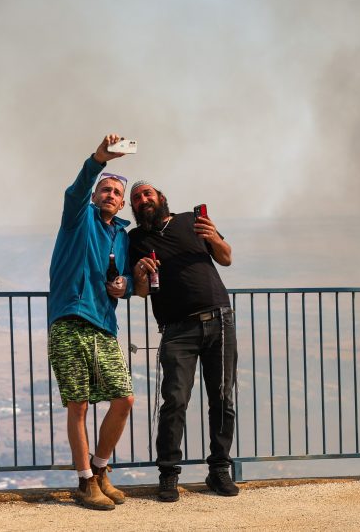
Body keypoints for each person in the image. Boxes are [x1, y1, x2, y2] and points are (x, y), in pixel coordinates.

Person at [128, 181, 239, 502]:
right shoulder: (135, 239)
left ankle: (219, 470)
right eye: (137, 198)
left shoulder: (192, 221)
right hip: (176, 329)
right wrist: (139, 273)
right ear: (133, 208)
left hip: (219, 319)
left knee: (222, 398)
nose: (143, 199)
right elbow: (142, 292)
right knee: (174, 400)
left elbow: (227, 258)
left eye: (148, 194)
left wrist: (214, 237)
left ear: (161, 198)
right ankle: (168, 475)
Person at [47, 134, 136, 511]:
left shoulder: (122, 235)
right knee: (79, 405)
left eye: (116, 192)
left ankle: (100, 470)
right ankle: (85, 481)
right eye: (105, 190)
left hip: (103, 324)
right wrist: (99, 159)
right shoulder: (77, 217)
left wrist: (124, 286)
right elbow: (76, 190)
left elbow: (128, 279)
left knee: (124, 398)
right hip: (69, 319)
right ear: (96, 194)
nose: (110, 195)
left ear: (121, 201)